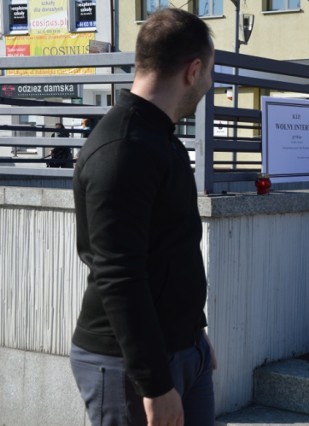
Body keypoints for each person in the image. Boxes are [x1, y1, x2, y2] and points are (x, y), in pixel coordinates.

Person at [70, 8, 216, 425]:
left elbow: (172, 248)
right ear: (192, 70)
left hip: (183, 349)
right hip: (129, 366)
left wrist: (195, 333)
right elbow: (120, 275)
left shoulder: (159, 138)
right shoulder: (123, 150)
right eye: (209, 73)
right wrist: (154, 383)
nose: (209, 84)